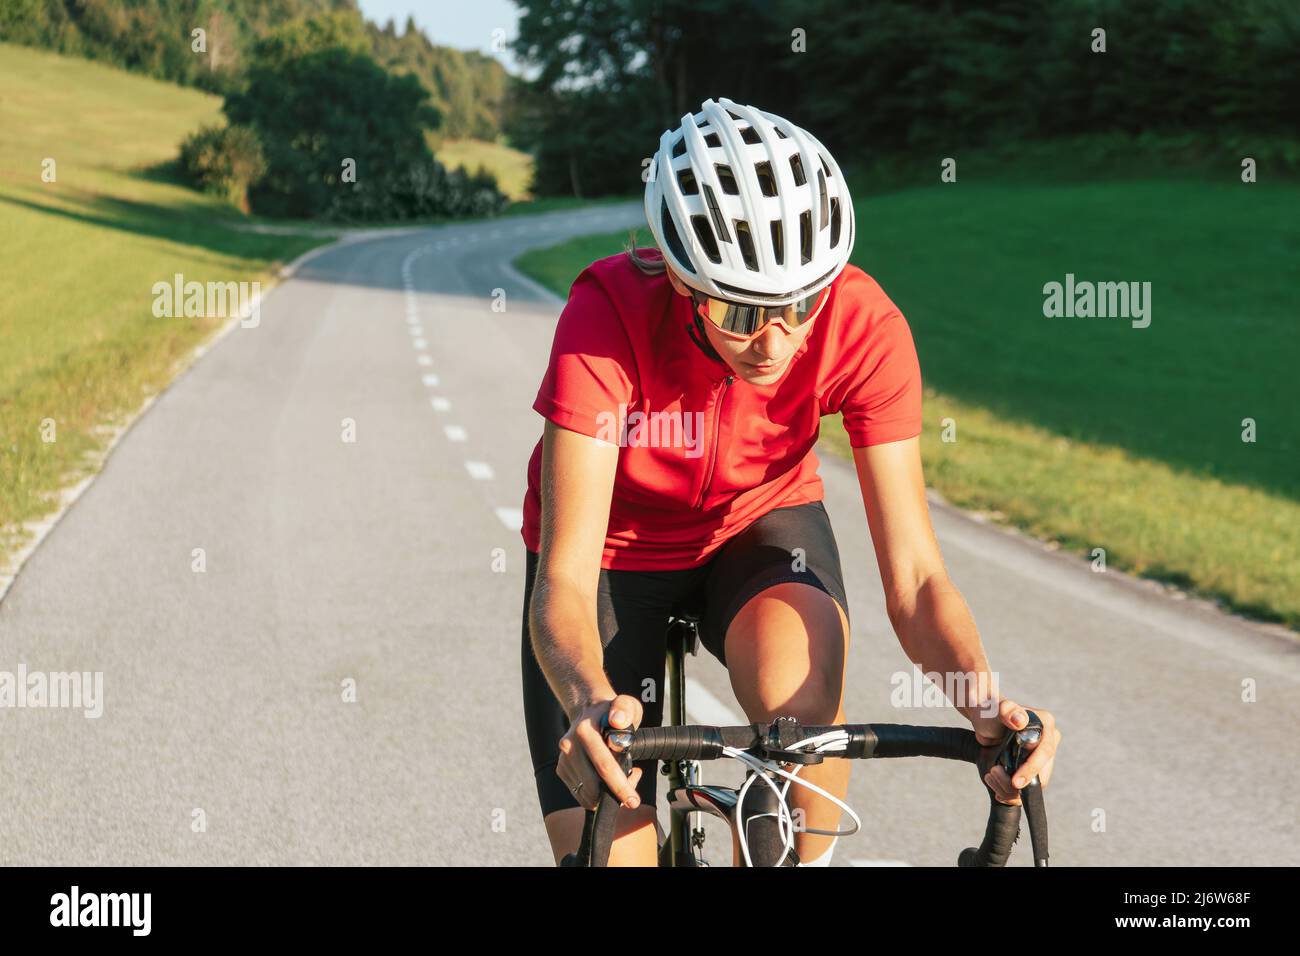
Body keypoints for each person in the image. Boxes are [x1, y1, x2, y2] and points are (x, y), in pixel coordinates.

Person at [519, 97, 1060, 867]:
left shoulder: (866, 327)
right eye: (739, 311)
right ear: (681, 281)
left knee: (804, 722)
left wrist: (984, 703)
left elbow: (913, 579)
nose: (772, 341)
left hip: (758, 527)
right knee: (609, 829)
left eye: (797, 305)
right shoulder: (605, 319)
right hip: (611, 555)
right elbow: (565, 581)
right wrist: (583, 700)